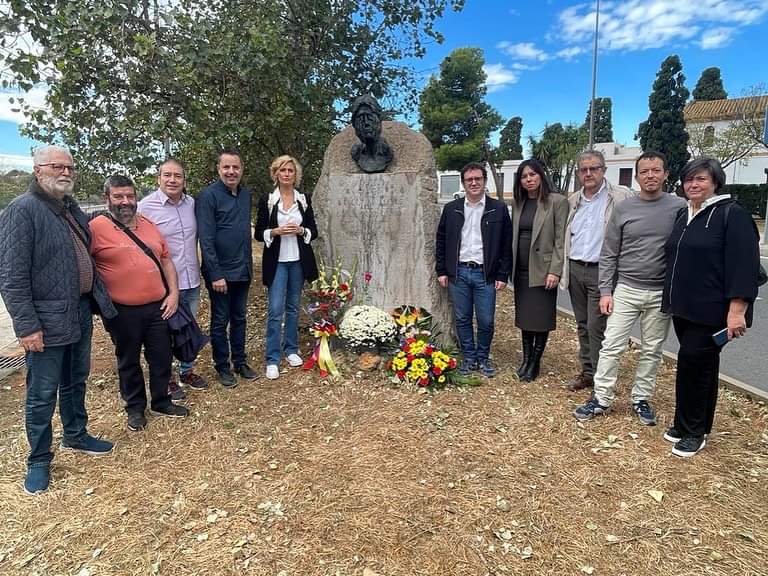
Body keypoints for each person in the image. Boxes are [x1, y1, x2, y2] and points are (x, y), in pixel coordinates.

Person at [0, 146, 116, 494]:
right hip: (46, 319)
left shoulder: (68, 208)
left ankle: (75, 434)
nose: (65, 172)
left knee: (75, 379)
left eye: (69, 167)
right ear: (38, 170)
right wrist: (27, 326)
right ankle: (38, 460)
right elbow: (11, 277)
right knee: (42, 392)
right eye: (57, 166)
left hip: (77, 310)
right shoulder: (23, 210)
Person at [573, 151, 686, 425]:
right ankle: (601, 397)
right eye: (644, 171)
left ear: (666, 174)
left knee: (652, 349)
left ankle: (641, 398)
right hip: (626, 288)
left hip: (660, 293)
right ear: (636, 177)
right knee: (611, 345)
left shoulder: (679, 207)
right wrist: (606, 292)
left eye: (656, 170)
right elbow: (609, 252)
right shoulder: (624, 208)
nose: (650, 176)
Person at [662, 157, 759, 457]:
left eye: (701, 179)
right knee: (696, 365)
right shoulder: (686, 213)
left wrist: (737, 311)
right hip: (684, 308)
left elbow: (744, 267)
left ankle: (694, 432)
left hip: (712, 311)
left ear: (715, 182)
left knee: (695, 365)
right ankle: (685, 423)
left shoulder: (732, 214)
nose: (693, 184)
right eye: (689, 179)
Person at [90, 175, 189, 432]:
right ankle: (134, 408)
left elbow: (165, 259)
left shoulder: (147, 223)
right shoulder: (96, 228)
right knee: (129, 360)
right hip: (122, 311)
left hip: (158, 307)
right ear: (107, 198)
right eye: (118, 196)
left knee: (161, 356)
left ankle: (161, 401)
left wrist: (173, 294)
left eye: (130, 196)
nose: (125, 201)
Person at [561, 150, 634, 391]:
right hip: (575, 269)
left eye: (594, 168)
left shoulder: (620, 197)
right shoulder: (573, 201)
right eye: (584, 169)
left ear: (603, 170)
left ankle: (600, 378)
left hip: (601, 271)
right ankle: (588, 372)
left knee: (596, 326)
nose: (589, 173)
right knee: (582, 324)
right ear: (578, 173)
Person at [138, 158, 208, 398]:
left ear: (184, 180)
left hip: (191, 280)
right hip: (164, 285)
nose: (172, 180)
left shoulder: (192, 204)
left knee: (188, 329)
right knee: (164, 333)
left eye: (178, 176)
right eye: (167, 175)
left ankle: (187, 371)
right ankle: (166, 378)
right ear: (158, 178)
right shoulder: (145, 208)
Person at [436, 161, 512, 377]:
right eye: (469, 179)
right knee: (462, 318)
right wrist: (442, 270)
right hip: (458, 273)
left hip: (485, 274)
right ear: (463, 183)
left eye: (478, 178)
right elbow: (441, 240)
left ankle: (483, 357)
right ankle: (469, 357)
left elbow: (506, 244)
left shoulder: (498, 209)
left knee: (486, 320)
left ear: (484, 181)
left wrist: (503, 274)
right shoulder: (451, 209)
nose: (474, 183)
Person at [196, 149, 257, 387]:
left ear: (241, 170)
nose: (231, 172)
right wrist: (216, 274)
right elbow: (206, 239)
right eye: (226, 167)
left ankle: (240, 362)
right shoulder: (208, 196)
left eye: (236, 167)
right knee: (220, 321)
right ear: (219, 169)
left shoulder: (245, 195)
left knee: (239, 318)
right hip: (220, 274)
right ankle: (222, 366)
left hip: (242, 270)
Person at [254, 155, 319, 380]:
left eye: (290, 170)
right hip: (277, 261)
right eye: (282, 170)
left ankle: (291, 349)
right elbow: (258, 232)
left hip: (298, 261)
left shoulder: (303, 199)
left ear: (295, 174)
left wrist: (302, 231)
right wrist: (275, 232)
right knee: (275, 309)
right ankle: (272, 358)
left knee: (293, 307)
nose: (287, 174)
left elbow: (313, 230)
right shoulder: (268, 200)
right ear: (276, 174)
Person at [509, 159, 568, 382]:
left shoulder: (557, 202)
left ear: (541, 175)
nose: (529, 179)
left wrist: (555, 270)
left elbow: (561, 240)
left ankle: (535, 362)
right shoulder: (518, 202)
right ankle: (525, 360)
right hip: (521, 270)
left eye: (532, 174)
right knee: (525, 318)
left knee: (541, 319)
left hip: (543, 271)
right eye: (524, 176)